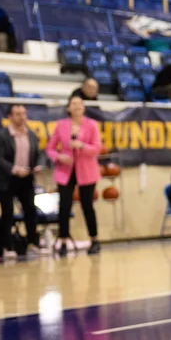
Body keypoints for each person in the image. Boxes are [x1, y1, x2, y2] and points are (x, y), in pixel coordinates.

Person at [46, 94, 102, 255]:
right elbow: (50, 148)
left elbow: (97, 148)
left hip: (86, 171)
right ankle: (63, 241)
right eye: (74, 104)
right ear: (68, 108)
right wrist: (59, 157)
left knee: (87, 206)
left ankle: (94, 240)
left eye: (80, 104)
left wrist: (82, 145)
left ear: (84, 107)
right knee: (64, 206)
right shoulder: (61, 125)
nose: (77, 107)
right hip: (66, 170)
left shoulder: (91, 125)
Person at [0, 103, 41, 257]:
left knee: (30, 211)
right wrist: (14, 169)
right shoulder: (2, 135)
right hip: (6, 179)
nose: (21, 117)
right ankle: (7, 247)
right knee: (7, 213)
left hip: (26, 179)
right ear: (10, 117)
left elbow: (36, 154)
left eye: (23, 113)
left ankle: (33, 243)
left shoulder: (32, 135)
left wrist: (37, 166)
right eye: (18, 114)